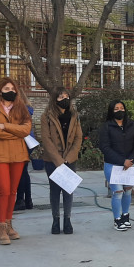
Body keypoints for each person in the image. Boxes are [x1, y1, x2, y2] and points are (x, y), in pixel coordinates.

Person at [0, 77, 32, 245]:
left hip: (18, 154)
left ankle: (9, 223)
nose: (10, 91)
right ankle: (1, 226)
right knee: (4, 189)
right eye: (6, 88)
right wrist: (15, 133)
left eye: (12, 88)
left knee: (13, 191)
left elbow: (26, 130)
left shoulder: (21, 108)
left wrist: (5, 126)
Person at [40, 87, 83, 235]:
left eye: (66, 96)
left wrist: (69, 158)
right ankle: (56, 220)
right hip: (52, 160)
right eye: (60, 97)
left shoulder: (74, 115)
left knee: (68, 190)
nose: (64, 99)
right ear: (54, 100)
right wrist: (58, 160)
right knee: (55, 190)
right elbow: (46, 139)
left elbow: (78, 137)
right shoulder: (46, 116)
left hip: (70, 158)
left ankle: (67, 220)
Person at [98, 100, 134, 231]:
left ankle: (125, 216)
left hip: (130, 164)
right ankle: (117, 219)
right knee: (117, 193)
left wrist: (131, 160)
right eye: (116, 108)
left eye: (122, 108)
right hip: (113, 165)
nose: (119, 110)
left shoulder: (132, 125)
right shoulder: (106, 126)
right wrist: (122, 161)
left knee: (128, 192)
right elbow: (105, 147)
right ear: (111, 111)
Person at [14, 103, 35, 211]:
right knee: (24, 171)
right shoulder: (27, 109)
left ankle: (20, 200)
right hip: (29, 141)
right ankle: (28, 201)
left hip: (22, 141)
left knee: (21, 172)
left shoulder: (17, 109)